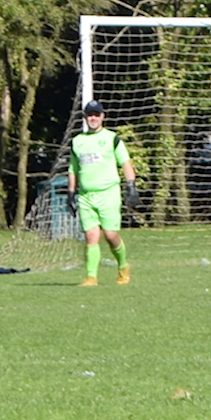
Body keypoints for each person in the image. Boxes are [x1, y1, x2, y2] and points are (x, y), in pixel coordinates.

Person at [69, 101, 137, 287]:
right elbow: (73, 169)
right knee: (91, 236)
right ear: (85, 117)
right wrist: (71, 193)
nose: (93, 118)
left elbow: (125, 163)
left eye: (96, 115)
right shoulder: (77, 142)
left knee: (110, 235)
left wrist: (131, 186)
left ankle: (123, 265)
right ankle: (91, 277)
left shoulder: (112, 138)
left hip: (108, 193)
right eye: (90, 115)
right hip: (85, 196)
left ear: (102, 116)